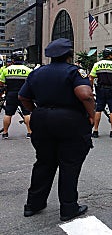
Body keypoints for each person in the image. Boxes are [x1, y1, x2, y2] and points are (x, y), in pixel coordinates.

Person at [18, 38, 95, 221]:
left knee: (44, 162)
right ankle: (68, 208)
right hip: (70, 121)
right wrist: (91, 115)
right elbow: (85, 95)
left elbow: (23, 96)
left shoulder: (37, 73)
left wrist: (35, 111)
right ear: (69, 55)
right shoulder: (74, 72)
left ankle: (33, 205)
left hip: (42, 119)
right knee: (69, 164)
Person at [89, 47, 112, 138]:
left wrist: (91, 88)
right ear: (110, 56)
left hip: (100, 89)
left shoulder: (97, 64)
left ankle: (95, 130)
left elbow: (91, 77)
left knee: (98, 109)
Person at [0, 51, 32, 139]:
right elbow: (32, 83)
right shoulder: (28, 70)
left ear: (13, 59)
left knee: (8, 114)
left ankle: (5, 133)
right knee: (26, 113)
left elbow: (1, 83)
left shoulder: (7, 70)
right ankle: (29, 132)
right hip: (24, 95)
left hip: (11, 94)